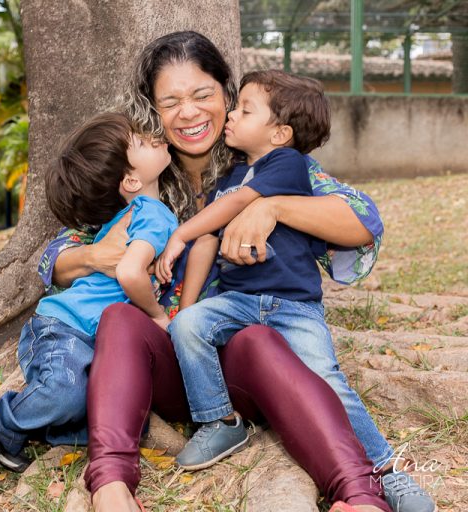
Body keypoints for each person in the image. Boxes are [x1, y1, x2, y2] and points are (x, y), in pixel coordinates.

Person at [40, 32, 433, 512]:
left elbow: (362, 220)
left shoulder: (260, 160)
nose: (188, 113)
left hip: (256, 365)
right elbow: (58, 254)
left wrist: (274, 207)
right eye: (171, 102)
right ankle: (111, 487)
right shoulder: (140, 171)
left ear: (227, 95)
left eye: (202, 95)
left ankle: (368, 482)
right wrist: (96, 258)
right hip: (173, 360)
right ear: (153, 110)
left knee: (257, 340)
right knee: (121, 322)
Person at [0, 112, 179, 497]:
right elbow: (125, 272)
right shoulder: (148, 214)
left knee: (108, 410)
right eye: (140, 140)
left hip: (98, 339)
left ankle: (32, 432)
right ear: (131, 180)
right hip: (65, 327)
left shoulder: (138, 214)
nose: (154, 137)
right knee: (63, 392)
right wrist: (157, 315)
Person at [155, 68, 374, 473]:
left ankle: (380, 465)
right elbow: (209, 238)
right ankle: (219, 421)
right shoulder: (230, 178)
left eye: (245, 110)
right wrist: (184, 309)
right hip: (239, 302)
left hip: (293, 304)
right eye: (235, 107)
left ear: (280, 134)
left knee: (324, 378)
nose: (233, 116)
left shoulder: (287, 164)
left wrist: (180, 233)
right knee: (189, 327)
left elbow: (235, 206)